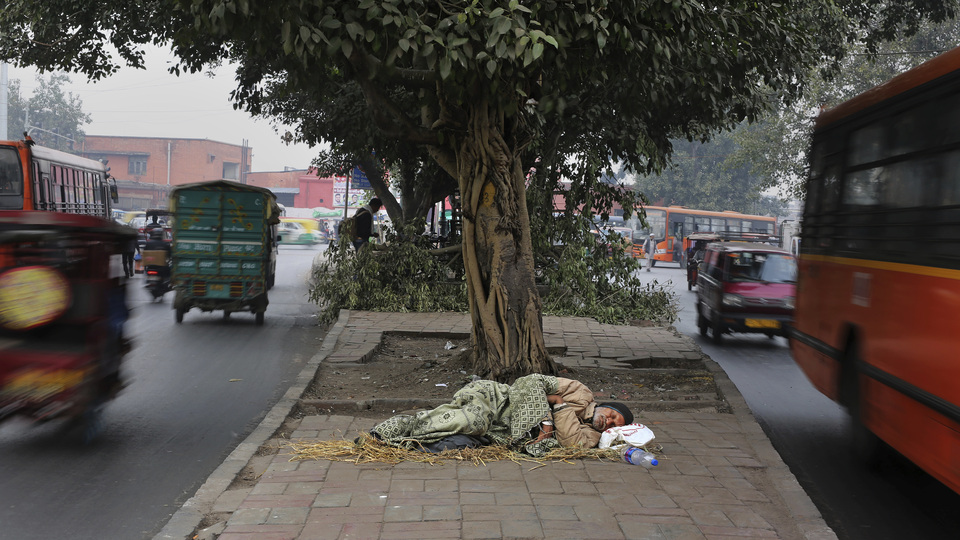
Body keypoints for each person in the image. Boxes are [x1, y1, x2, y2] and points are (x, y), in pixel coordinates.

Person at [369, 374, 633, 456]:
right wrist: (546, 423)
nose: (607, 421)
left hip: (501, 431)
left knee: (460, 442)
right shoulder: (581, 392)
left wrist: (558, 404)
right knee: (472, 420)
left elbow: (571, 442)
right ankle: (390, 429)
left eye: (612, 425)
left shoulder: (589, 435)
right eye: (611, 414)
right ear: (605, 405)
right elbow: (530, 382)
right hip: (494, 398)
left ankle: (398, 443)